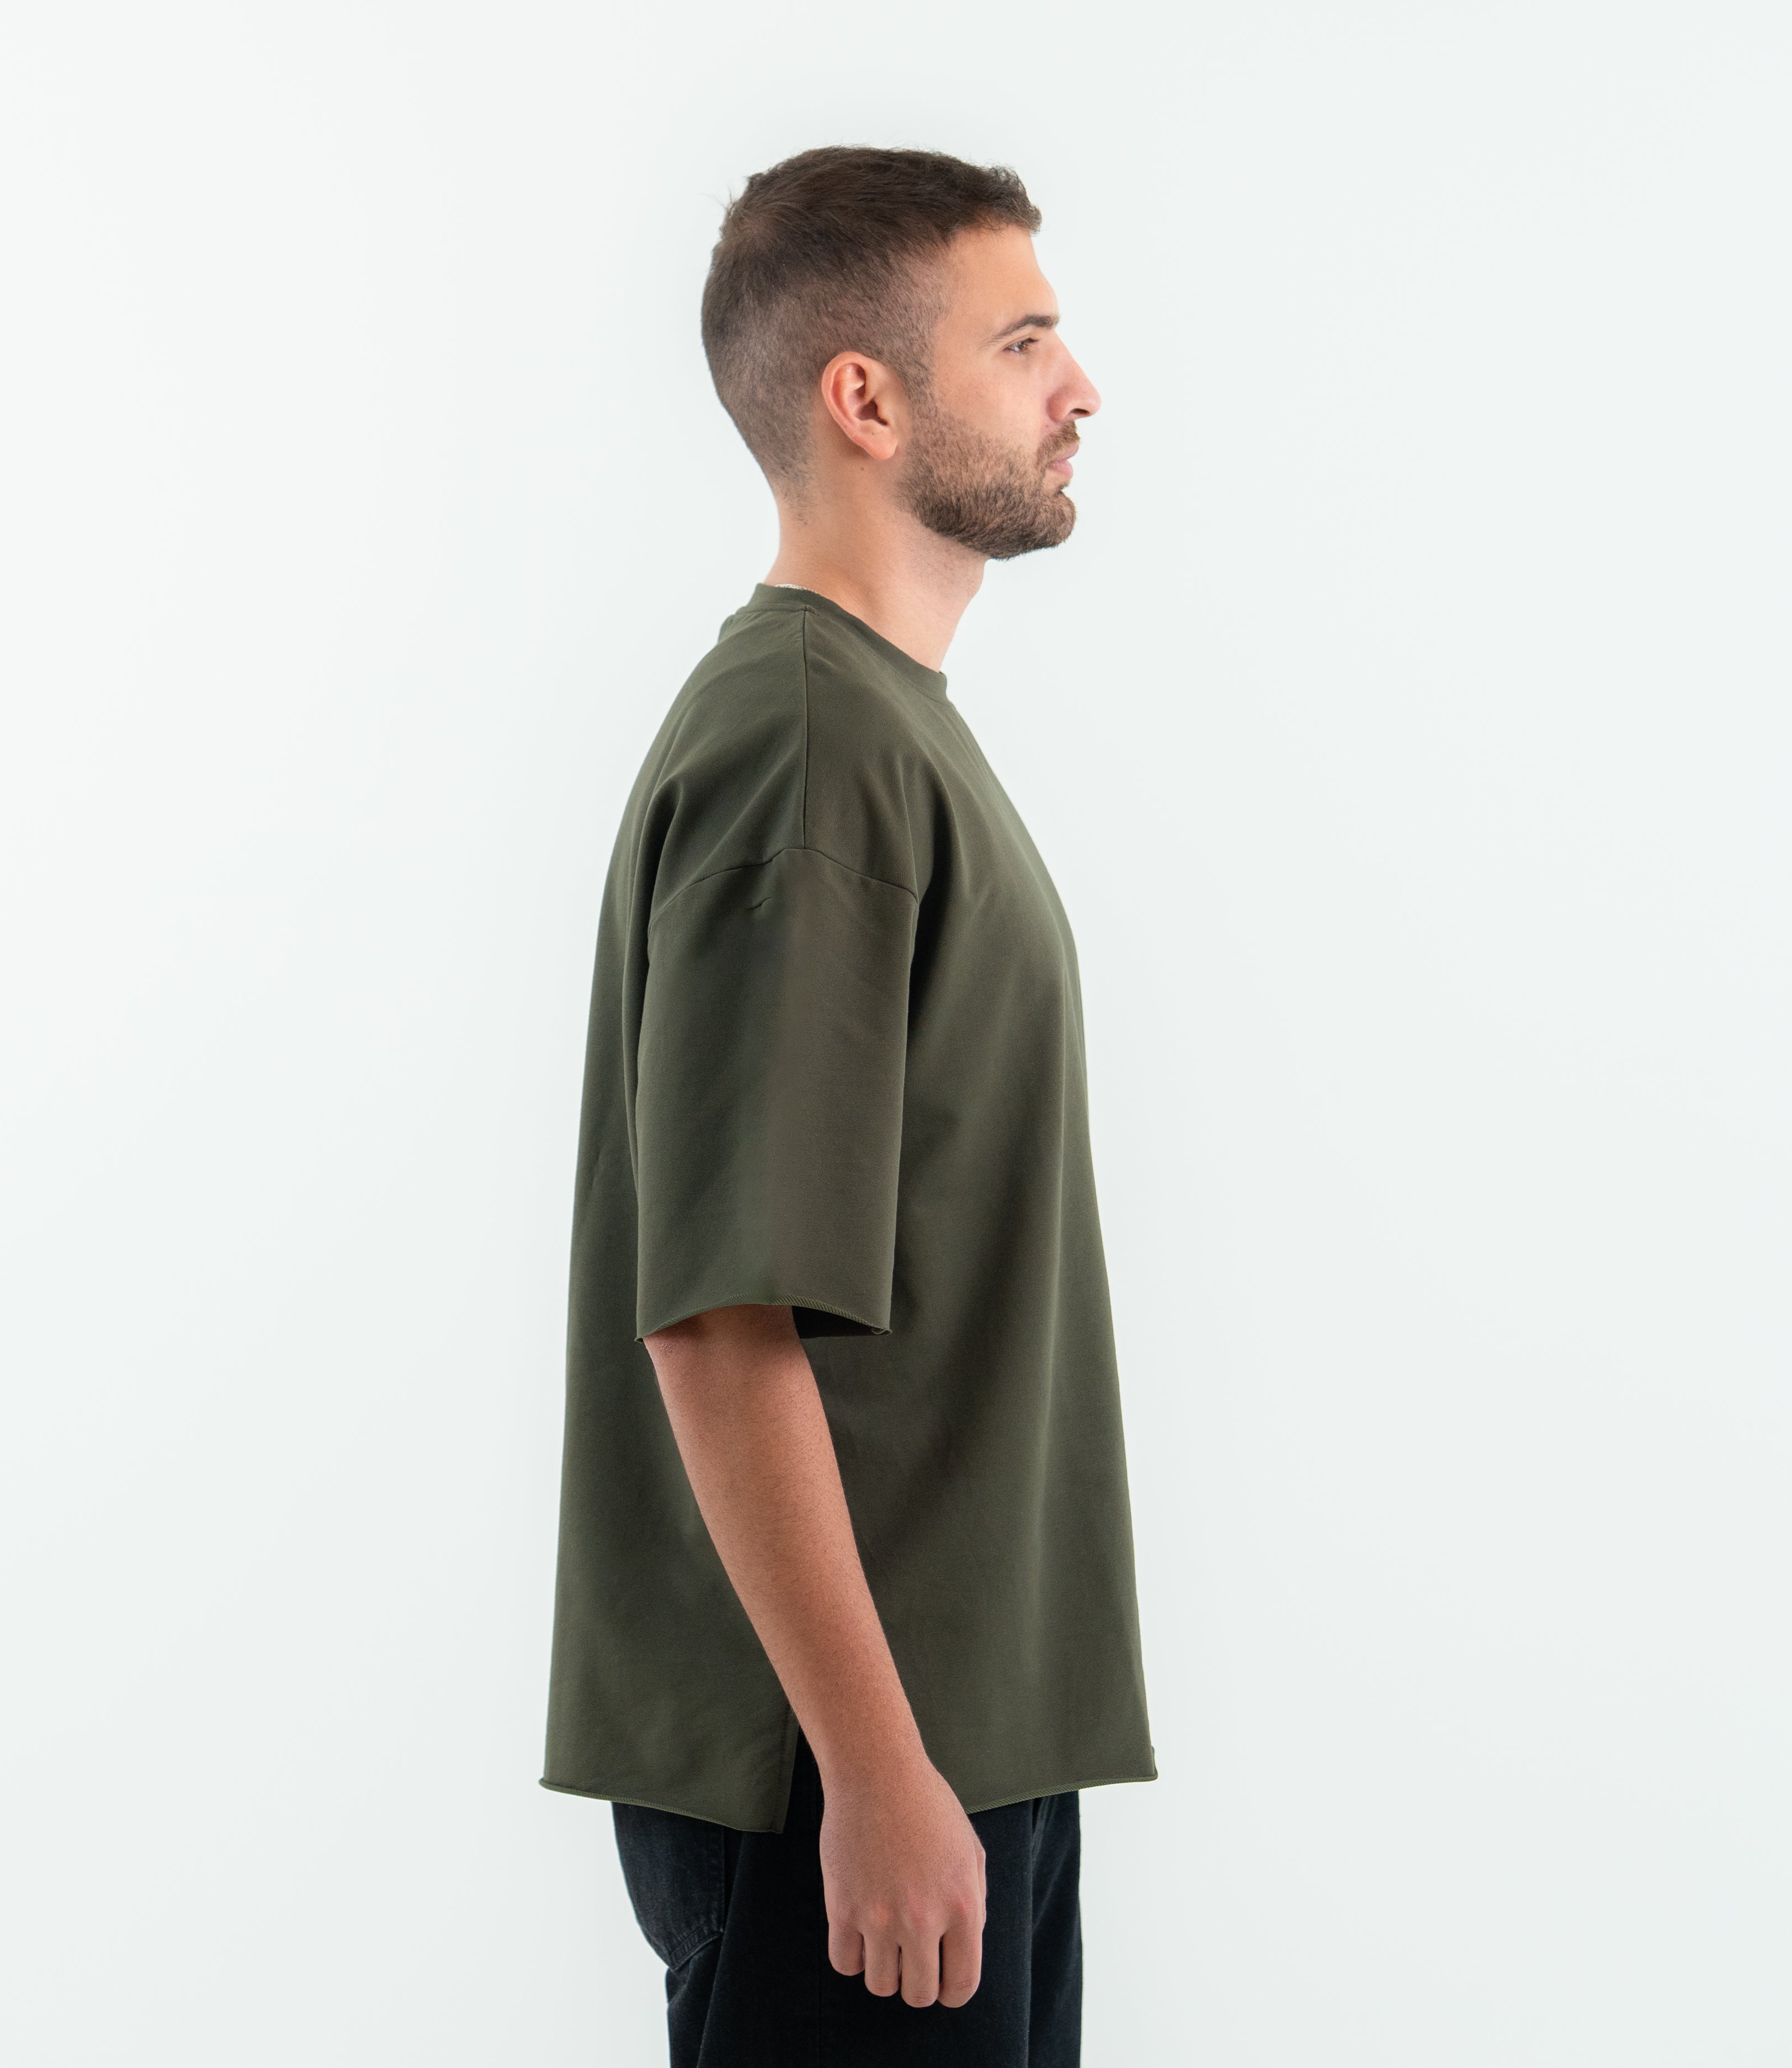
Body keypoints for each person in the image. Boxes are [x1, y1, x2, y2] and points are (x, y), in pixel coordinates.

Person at [542, 144, 1155, 2066]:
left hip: (947, 1736)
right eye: (1024, 337)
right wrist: (880, 1778)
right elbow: (719, 1324)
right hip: (847, 1774)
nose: (1080, 387)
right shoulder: (810, 748)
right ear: (865, 398)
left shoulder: (876, 727)